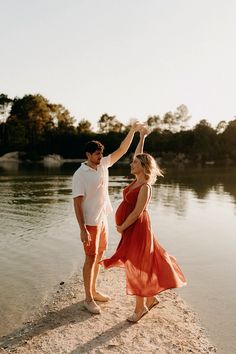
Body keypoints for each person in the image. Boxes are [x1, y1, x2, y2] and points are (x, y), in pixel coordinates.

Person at [100, 128, 187, 322]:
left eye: (135, 163)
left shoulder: (145, 186)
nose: (132, 163)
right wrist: (141, 138)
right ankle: (151, 297)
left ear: (143, 167)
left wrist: (122, 227)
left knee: (137, 265)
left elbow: (138, 212)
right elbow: (139, 154)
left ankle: (140, 309)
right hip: (132, 229)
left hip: (138, 228)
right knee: (137, 263)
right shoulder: (136, 180)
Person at [72, 121, 143, 314]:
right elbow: (77, 203)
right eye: (97, 154)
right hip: (89, 223)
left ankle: (94, 291)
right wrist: (82, 229)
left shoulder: (103, 165)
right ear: (88, 155)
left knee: (99, 255)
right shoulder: (80, 174)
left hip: (102, 219)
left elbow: (122, 149)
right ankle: (87, 299)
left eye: (101, 153)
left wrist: (133, 131)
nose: (100, 156)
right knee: (90, 257)